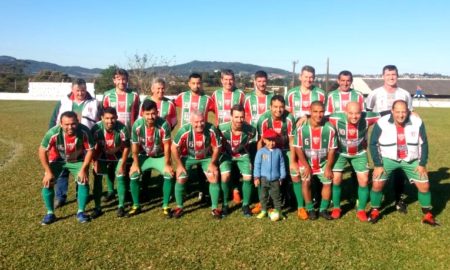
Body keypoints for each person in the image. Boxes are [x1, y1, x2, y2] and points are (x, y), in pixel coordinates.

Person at [368, 100, 437, 226]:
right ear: (392, 111)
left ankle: (427, 214)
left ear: (408, 111)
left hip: (411, 159)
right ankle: (375, 210)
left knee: (425, 185)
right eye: (398, 112)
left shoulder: (417, 122)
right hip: (388, 159)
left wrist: (422, 164)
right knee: (377, 183)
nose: (401, 115)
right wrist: (378, 165)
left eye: (404, 112)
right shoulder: (382, 122)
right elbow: (373, 144)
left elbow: (424, 143)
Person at [366, 65, 412, 213]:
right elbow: (368, 115)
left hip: (400, 137)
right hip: (381, 138)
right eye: (388, 74)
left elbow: (410, 114)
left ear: (397, 76)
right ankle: (376, 201)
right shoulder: (374, 93)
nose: (391, 77)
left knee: (399, 169)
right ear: (383, 76)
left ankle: (399, 199)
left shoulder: (404, 94)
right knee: (380, 168)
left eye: (394, 74)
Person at [48, 78, 99, 208]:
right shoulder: (64, 101)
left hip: (84, 142)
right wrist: (52, 138)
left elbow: (100, 121)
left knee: (82, 168)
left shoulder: (94, 102)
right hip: (63, 141)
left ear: (86, 90)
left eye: (83, 90)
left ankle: (80, 194)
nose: (80, 93)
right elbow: (54, 120)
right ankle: (60, 197)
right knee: (62, 170)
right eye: (77, 90)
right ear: (72, 90)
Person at [39, 111, 94, 225]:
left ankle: (81, 212)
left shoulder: (84, 131)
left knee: (83, 181)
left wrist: (84, 169)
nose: (70, 127)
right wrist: (48, 172)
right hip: (57, 160)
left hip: (77, 160)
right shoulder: (53, 133)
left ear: (77, 122)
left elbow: (90, 150)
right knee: (47, 182)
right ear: (61, 124)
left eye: (73, 124)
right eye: (66, 124)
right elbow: (42, 151)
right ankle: (50, 213)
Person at [328, 102, 380, 221]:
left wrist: (411, 112)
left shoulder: (368, 117)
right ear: (345, 112)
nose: (354, 116)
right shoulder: (336, 118)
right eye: (351, 113)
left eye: (357, 113)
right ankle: (336, 208)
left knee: (364, 180)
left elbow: (385, 114)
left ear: (361, 112)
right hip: (340, 153)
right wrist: (305, 117)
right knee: (336, 179)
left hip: (359, 153)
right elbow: (319, 116)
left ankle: (361, 209)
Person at [171, 111, 222, 218]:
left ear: (205, 120)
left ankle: (215, 208)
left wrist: (212, 163)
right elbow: (174, 147)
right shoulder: (184, 130)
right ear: (191, 122)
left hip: (206, 157)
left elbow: (217, 147)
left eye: (202, 121)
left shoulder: (211, 129)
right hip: (188, 157)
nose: (199, 124)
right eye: (196, 122)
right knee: (181, 177)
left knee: (214, 174)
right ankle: (179, 207)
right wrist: (179, 166)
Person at [129, 99, 174, 217]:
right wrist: (135, 163)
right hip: (144, 156)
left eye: (153, 113)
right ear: (142, 113)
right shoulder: (137, 125)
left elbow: (167, 146)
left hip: (160, 156)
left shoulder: (164, 124)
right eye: (147, 114)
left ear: (157, 112)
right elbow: (134, 146)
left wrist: (168, 163)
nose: (150, 117)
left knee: (168, 174)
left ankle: (165, 205)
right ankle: (136, 205)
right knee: (133, 174)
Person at [293, 101, 337, 220]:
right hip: (306, 161)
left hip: (323, 162)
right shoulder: (302, 129)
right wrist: (306, 166)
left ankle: (323, 209)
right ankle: (310, 208)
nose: (318, 115)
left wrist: (328, 167)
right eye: (315, 112)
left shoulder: (330, 129)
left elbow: (332, 150)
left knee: (328, 181)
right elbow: (298, 148)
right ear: (310, 112)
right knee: (306, 182)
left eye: (321, 112)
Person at [256, 95, 299, 216]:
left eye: (281, 107)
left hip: (286, 149)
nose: (278, 110)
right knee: (264, 174)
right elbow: (260, 141)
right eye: (275, 107)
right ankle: (263, 202)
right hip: (269, 150)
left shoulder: (289, 118)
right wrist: (260, 156)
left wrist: (293, 160)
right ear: (270, 107)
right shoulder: (264, 119)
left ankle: (296, 202)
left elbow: (292, 141)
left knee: (294, 172)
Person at [211, 69, 246, 204]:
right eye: (225, 79)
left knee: (236, 161)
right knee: (220, 160)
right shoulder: (215, 94)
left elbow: (244, 112)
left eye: (231, 79)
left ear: (234, 80)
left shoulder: (240, 94)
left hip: (236, 133)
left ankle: (236, 189)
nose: (228, 82)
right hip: (220, 133)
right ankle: (221, 190)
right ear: (221, 80)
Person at [91, 107, 131, 218]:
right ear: (102, 118)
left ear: (117, 117)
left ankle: (121, 206)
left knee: (121, 176)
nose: (110, 121)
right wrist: (94, 161)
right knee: (97, 179)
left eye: (113, 118)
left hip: (118, 155)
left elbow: (127, 147)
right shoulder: (96, 129)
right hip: (101, 155)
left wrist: (122, 164)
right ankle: (97, 207)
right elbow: (91, 147)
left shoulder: (122, 128)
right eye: (107, 118)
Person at [243, 70, 274, 213]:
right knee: (255, 168)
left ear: (267, 81)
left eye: (264, 81)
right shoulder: (247, 98)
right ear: (254, 81)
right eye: (259, 81)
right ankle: (259, 199)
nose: (262, 84)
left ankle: (269, 199)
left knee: (267, 168)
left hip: (267, 139)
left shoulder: (272, 97)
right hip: (252, 139)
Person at [218, 104, 256, 217]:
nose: (239, 120)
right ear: (231, 117)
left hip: (242, 155)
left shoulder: (250, 130)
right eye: (236, 117)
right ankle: (225, 205)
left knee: (248, 177)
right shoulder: (221, 128)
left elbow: (249, 139)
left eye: (241, 117)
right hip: (226, 154)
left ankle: (246, 205)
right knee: (225, 176)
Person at [254, 128, 286, 221]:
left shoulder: (278, 152)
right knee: (263, 196)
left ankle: (278, 212)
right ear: (264, 140)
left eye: (273, 141)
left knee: (276, 197)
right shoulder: (261, 152)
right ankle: (263, 210)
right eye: (269, 140)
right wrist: (256, 177)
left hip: (276, 179)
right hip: (264, 179)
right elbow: (257, 165)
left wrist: (282, 177)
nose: (271, 143)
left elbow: (282, 165)